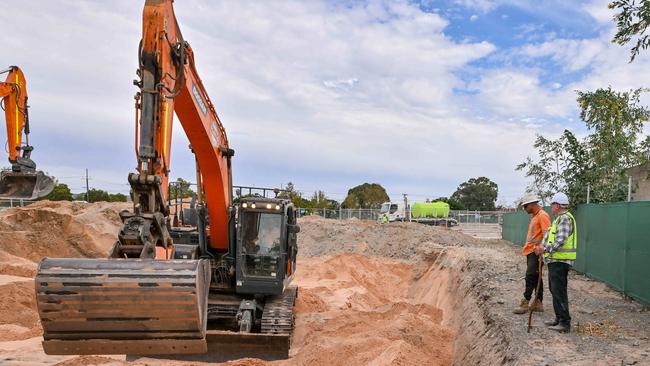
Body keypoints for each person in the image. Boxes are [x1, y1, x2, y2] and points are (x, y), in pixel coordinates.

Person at [534, 192, 576, 333]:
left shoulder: (564, 219)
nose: (551, 207)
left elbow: (561, 240)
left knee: (559, 290)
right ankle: (559, 319)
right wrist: (542, 249)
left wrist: (545, 249)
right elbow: (551, 237)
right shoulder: (558, 219)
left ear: (557, 205)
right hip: (555, 260)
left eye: (552, 204)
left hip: (560, 260)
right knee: (554, 289)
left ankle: (564, 323)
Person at [513, 193, 550, 315]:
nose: (524, 209)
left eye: (525, 206)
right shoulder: (535, 217)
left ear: (532, 204)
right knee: (536, 276)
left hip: (536, 252)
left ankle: (526, 301)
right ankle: (538, 302)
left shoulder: (542, 216)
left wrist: (541, 250)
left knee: (530, 276)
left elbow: (548, 236)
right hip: (530, 251)